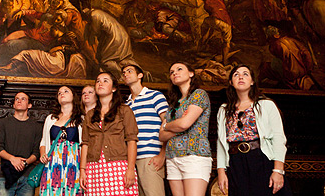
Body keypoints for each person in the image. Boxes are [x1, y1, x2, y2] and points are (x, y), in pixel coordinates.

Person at [216, 65, 292, 196]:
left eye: (245, 74)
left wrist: (278, 171)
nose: (240, 76)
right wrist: (221, 171)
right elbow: (221, 142)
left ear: (252, 82)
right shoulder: (224, 110)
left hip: (260, 158)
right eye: (236, 74)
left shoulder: (266, 104)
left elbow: (279, 138)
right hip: (235, 163)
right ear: (231, 83)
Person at [80, 72, 139, 196]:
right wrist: (82, 170)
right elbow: (85, 144)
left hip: (119, 166)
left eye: (105, 80)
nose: (100, 83)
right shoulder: (90, 115)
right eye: (98, 81)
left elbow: (131, 140)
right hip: (93, 168)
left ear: (114, 88)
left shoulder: (124, 111)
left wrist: (130, 169)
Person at [159, 62, 211, 196]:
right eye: (171, 72)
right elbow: (161, 136)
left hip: (194, 156)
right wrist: (179, 125)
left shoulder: (199, 95)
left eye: (179, 69)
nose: (175, 73)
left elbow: (184, 124)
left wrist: (167, 126)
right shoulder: (173, 103)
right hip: (172, 158)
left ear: (191, 73)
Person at [123, 64, 169, 196]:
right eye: (124, 72)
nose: (126, 74)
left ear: (140, 75)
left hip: (150, 159)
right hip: (130, 161)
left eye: (129, 71)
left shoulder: (155, 96)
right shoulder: (126, 104)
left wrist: (162, 155)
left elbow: (167, 124)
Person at [0, 92, 42, 196]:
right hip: (6, 175)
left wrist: (25, 163)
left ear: (29, 105)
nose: (19, 100)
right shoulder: (3, 123)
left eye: (23, 99)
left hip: (28, 177)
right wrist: (12, 159)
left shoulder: (36, 127)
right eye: (17, 99)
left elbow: (37, 152)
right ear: (14, 105)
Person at [39, 86, 83, 196]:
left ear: (74, 96)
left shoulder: (81, 119)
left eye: (66, 91)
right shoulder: (50, 119)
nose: (62, 94)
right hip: (52, 164)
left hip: (74, 164)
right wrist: (43, 154)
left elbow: (85, 144)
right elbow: (44, 141)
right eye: (59, 93)